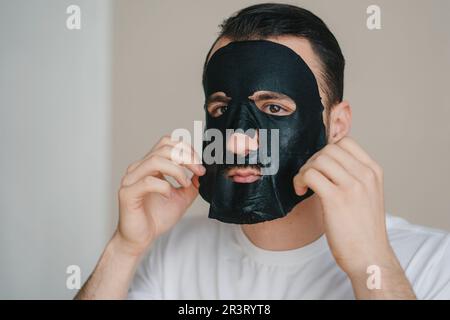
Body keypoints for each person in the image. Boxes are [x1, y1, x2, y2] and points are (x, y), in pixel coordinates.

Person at [76, 3, 450, 300]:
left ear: (336, 125)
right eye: (221, 110)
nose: (236, 142)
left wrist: (372, 265)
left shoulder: (433, 263)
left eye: (274, 109)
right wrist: (124, 248)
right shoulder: (171, 254)